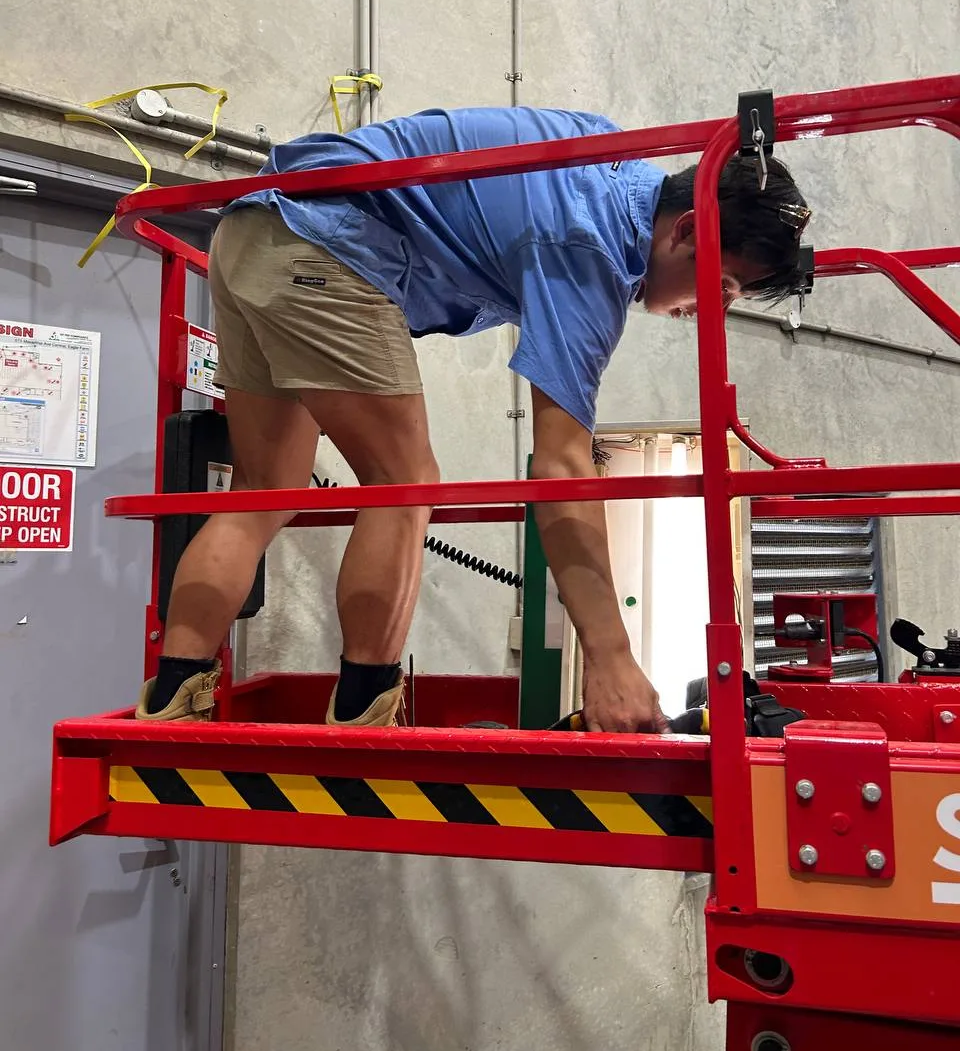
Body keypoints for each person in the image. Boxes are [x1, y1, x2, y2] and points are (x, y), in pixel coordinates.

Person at [134, 106, 811, 732]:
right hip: (327, 244)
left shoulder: (607, 168)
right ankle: (367, 710)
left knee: (264, 489)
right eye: (720, 289)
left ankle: (173, 695)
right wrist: (610, 655)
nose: (708, 312)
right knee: (405, 484)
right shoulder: (593, 245)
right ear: (687, 229)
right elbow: (563, 463)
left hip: (250, 231)